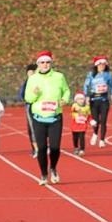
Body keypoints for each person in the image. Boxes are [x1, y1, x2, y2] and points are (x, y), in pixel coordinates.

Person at [22, 50, 70, 186]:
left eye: (48, 62)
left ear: (51, 63)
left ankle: (53, 168)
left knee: (55, 148)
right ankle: (43, 174)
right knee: (41, 148)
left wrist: (64, 100)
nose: (45, 65)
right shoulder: (33, 79)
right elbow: (27, 98)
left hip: (55, 117)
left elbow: (66, 90)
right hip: (39, 118)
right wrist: (35, 94)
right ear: (38, 64)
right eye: (42, 62)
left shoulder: (59, 77)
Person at [84, 56, 112, 147]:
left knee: (104, 120)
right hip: (94, 100)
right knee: (96, 120)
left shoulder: (108, 74)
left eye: (104, 64)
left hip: (104, 100)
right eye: (100, 64)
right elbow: (86, 85)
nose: (102, 66)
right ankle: (95, 133)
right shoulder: (91, 74)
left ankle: (102, 139)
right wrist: (86, 96)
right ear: (96, 65)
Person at [69, 92, 92, 157]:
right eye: (79, 99)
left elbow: (89, 115)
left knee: (82, 137)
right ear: (76, 100)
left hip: (83, 125)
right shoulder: (74, 105)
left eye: (82, 99)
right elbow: (73, 111)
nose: (81, 100)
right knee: (75, 137)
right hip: (75, 125)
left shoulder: (87, 107)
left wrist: (91, 120)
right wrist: (78, 112)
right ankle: (76, 147)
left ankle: (82, 149)